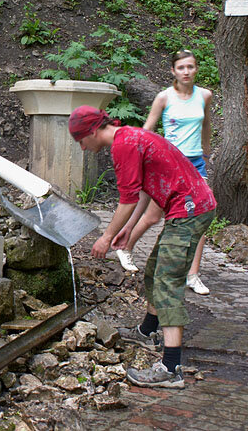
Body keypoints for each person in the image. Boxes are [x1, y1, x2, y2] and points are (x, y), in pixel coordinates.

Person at [69, 105, 215, 388]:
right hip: (187, 208)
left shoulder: (123, 145)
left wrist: (106, 237)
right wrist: (128, 229)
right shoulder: (130, 137)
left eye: (81, 141)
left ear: (92, 131)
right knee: (154, 272)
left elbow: (126, 199)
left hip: (189, 210)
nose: (83, 148)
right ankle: (147, 330)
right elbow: (144, 190)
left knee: (167, 282)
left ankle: (171, 368)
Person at [113, 50, 212, 296]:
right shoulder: (164, 97)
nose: (186, 72)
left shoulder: (205, 96)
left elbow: (207, 123)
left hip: (196, 163)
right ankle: (125, 247)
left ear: (196, 68)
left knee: (201, 216)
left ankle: (193, 274)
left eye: (190, 66)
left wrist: (206, 150)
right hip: (168, 163)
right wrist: (142, 159)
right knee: (153, 215)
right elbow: (147, 130)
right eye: (181, 67)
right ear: (173, 71)